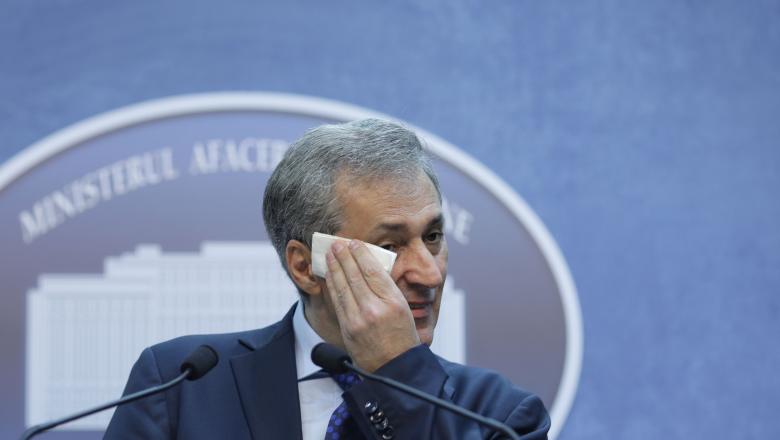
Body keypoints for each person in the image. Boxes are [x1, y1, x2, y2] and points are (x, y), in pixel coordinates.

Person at [105, 119, 550, 439]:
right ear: (305, 267)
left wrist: (401, 378)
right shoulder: (182, 385)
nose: (429, 273)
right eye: (390, 245)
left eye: (432, 237)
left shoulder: (501, 417)